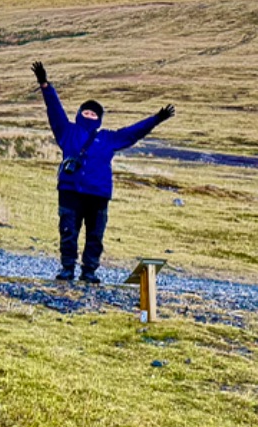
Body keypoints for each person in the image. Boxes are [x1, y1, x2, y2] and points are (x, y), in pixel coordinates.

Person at [34, 62, 174, 283]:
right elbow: (54, 110)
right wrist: (45, 85)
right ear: (79, 114)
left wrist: (155, 119)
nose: (89, 115)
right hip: (70, 190)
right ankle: (67, 269)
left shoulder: (108, 138)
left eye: (93, 113)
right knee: (68, 231)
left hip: (98, 193)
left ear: (99, 118)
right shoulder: (67, 131)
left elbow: (133, 132)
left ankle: (89, 272)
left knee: (95, 236)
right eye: (86, 112)